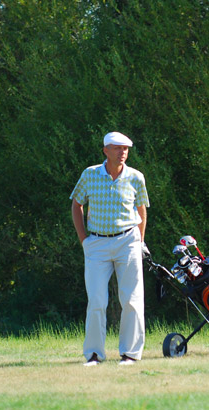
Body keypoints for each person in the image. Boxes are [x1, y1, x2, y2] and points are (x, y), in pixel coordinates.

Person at [70, 131, 150, 366]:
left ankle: (130, 354)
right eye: (117, 148)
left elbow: (142, 209)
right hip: (97, 243)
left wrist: (140, 242)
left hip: (128, 241)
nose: (122, 152)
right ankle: (94, 355)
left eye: (125, 149)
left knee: (132, 299)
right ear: (105, 150)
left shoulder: (136, 177)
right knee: (96, 300)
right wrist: (84, 240)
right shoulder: (90, 174)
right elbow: (76, 204)